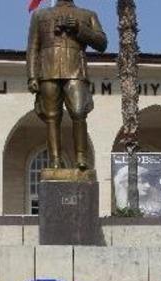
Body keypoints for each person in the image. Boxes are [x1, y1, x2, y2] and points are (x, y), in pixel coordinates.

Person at [26, 0, 107, 170]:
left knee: (79, 112)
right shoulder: (40, 15)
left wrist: (79, 28)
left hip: (75, 70)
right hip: (48, 71)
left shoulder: (87, 14)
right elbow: (33, 47)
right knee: (52, 117)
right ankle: (55, 160)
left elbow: (101, 43)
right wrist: (32, 76)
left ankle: (81, 158)